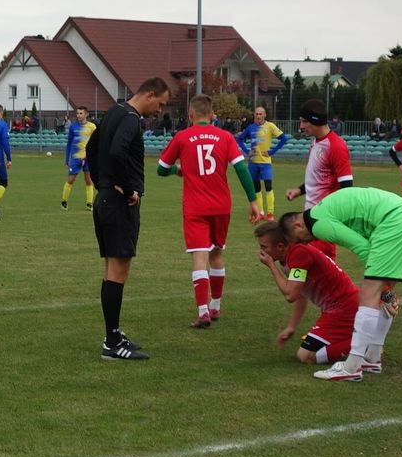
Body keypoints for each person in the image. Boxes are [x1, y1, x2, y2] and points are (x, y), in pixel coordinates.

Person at [281, 187, 402, 382]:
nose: (305, 243)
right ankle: (372, 358)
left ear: (298, 225)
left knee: (368, 294)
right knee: (383, 292)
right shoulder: (323, 209)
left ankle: (351, 367)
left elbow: (362, 247)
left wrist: (379, 280)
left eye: (299, 239)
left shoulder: (317, 223)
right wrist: (386, 288)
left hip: (396, 220)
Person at [85, 77, 171, 360]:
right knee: (118, 270)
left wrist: (102, 184)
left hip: (106, 199)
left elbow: (91, 149)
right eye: (161, 103)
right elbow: (117, 151)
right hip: (119, 203)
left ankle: (113, 333)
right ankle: (111, 343)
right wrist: (128, 186)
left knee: (111, 269)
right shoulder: (132, 119)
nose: (160, 110)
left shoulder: (112, 112)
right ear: (149, 94)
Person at [158, 94, 261, 329]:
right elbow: (242, 169)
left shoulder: (182, 137)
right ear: (213, 115)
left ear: (191, 115)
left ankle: (203, 311)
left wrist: (178, 170)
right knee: (216, 253)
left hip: (195, 207)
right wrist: (253, 201)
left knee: (199, 256)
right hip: (221, 206)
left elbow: (161, 169)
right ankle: (215, 306)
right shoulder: (225, 137)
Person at [254, 221, 359, 364]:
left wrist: (271, 265)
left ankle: (365, 343)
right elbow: (300, 294)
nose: (261, 252)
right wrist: (292, 326)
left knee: (306, 356)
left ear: (280, 246)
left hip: (343, 307)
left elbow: (290, 295)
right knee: (311, 351)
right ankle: (360, 338)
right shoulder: (288, 255)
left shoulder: (298, 254)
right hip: (337, 307)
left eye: (264, 247)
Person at [285, 99, 353, 208]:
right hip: (311, 213)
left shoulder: (336, 146)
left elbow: (347, 186)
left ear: (316, 121)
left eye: (305, 121)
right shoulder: (315, 142)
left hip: (325, 216)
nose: (301, 126)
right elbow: (318, 178)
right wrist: (299, 190)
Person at [235, 105, 288, 222]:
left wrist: (272, 151)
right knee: (256, 189)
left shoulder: (270, 126)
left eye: (260, 114)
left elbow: (284, 138)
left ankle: (270, 213)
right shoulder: (250, 128)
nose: (258, 116)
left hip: (266, 163)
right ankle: (261, 212)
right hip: (253, 163)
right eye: (256, 114)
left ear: (264, 115)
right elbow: (239, 139)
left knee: (268, 187)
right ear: (254, 115)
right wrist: (247, 151)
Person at [61, 106, 96, 211]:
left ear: (86, 114)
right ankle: (64, 202)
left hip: (88, 158)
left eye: (81, 113)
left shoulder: (92, 127)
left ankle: (89, 204)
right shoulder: (73, 127)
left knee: (89, 180)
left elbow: (96, 143)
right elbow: (69, 143)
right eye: (77, 113)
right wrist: (67, 159)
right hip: (76, 158)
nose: (78, 115)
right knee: (71, 179)